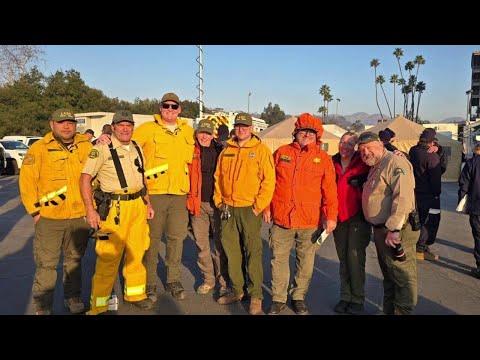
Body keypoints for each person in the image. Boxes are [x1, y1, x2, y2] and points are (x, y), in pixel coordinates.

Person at [80, 110, 154, 315]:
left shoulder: (137, 147)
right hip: (114, 209)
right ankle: (99, 305)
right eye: (120, 125)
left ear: (132, 127)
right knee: (108, 257)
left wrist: (148, 204)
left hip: (137, 206)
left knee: (137, 252)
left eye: (128, 125)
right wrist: (90, 209)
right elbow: (85, 178)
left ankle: (135, 294)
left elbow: (142, 178)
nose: (125, 128)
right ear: (113, 127)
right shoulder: (101, 148)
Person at [19, 108, 92, 315]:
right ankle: (43, 306)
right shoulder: (39, 149)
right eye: (62, 122)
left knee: (74, 261)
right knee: (46, 265)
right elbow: (27, 183)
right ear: (52, 125)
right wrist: (35, 212)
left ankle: (73, 297)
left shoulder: (85, 147)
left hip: (79, 216)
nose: (67, 126)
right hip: (49, 219)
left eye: (70, 122)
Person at [263, 113, 338, 315]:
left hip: (309, 221)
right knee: (278, 260)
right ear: (296, 132)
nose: (307, 135)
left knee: (305, 262)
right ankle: (278, 298)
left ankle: (298, 296)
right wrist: (266, 206)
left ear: (317, 135)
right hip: (281, 218)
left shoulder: (323, 159)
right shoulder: (281, 153)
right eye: (303, 131)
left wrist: (331, 216)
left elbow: (330, 190)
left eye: (311, 132)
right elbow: (269, 182)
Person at [133, 92, 194, 306]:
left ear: (180, 109)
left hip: (179, 195)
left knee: (176, 240)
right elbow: (126, 146)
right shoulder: (147, 130)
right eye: (166, 106)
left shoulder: (188, 131)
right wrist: (105, 138)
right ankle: (149, 283)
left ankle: (173, 280)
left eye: (174, 106)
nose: (169, 110)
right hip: (155, 194)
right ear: (160, 108)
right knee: (151, 241)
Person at [213, 112, 275, 315]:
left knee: (252, 252)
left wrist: (258, 207)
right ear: (234, 128)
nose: (241, 129)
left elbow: (268, 181)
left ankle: (256, 295)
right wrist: (219, 201)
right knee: (232, 251)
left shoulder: (260, 151)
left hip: (249, 209)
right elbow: (218, 178)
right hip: (228, 208)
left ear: (251, 129)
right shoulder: (226, 150)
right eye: (238, 126)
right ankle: (237, 290)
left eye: (245, 126)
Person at [358, 131, 418, 315]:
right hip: (382, 230)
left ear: (381, 145)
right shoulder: (377, 164)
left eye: (369, 148)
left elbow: (403, 198)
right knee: (390, 276)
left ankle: (403, 312)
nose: (365, 152)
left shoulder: (395, 162)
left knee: (402, 276)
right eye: (361, 150)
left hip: (396, 230)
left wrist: (394, 229)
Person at [187, 119, 229, 296]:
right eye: (201, 133)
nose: (204, 136)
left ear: (213, 135)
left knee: (220, 245)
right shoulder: (190, 150)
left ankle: (223, 281)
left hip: (217, 204)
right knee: (201, 244)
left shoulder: (222, 151)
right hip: (198, 204)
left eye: (208, 133)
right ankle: (208, 280)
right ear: (196, 134)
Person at [331, 132, 371, 315]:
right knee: (343, 260)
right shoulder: (332, 162)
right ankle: (345, 296)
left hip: (357, 218)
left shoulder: (363, 162)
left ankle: (357, 298)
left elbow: (383, 157)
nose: (345, 146)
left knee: (355, 260)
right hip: (337, 218)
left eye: (350, 143)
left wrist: (400, 153)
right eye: (342, 142)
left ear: (356, 146)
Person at [409, 129, 442, 261]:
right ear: (432, 141)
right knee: (430, 222)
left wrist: (437, 147)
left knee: (418, 220)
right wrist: (436, 193)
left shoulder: (413, 151)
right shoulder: (432, 156)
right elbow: (435, 179)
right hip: (430, 195)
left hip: (415, 192)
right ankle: (421, 249)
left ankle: (416, 246)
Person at [458, 144, 480, 279]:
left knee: (479, 237)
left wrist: (462, 202)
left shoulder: (472, 163)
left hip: (477, 207)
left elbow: (463, 184)